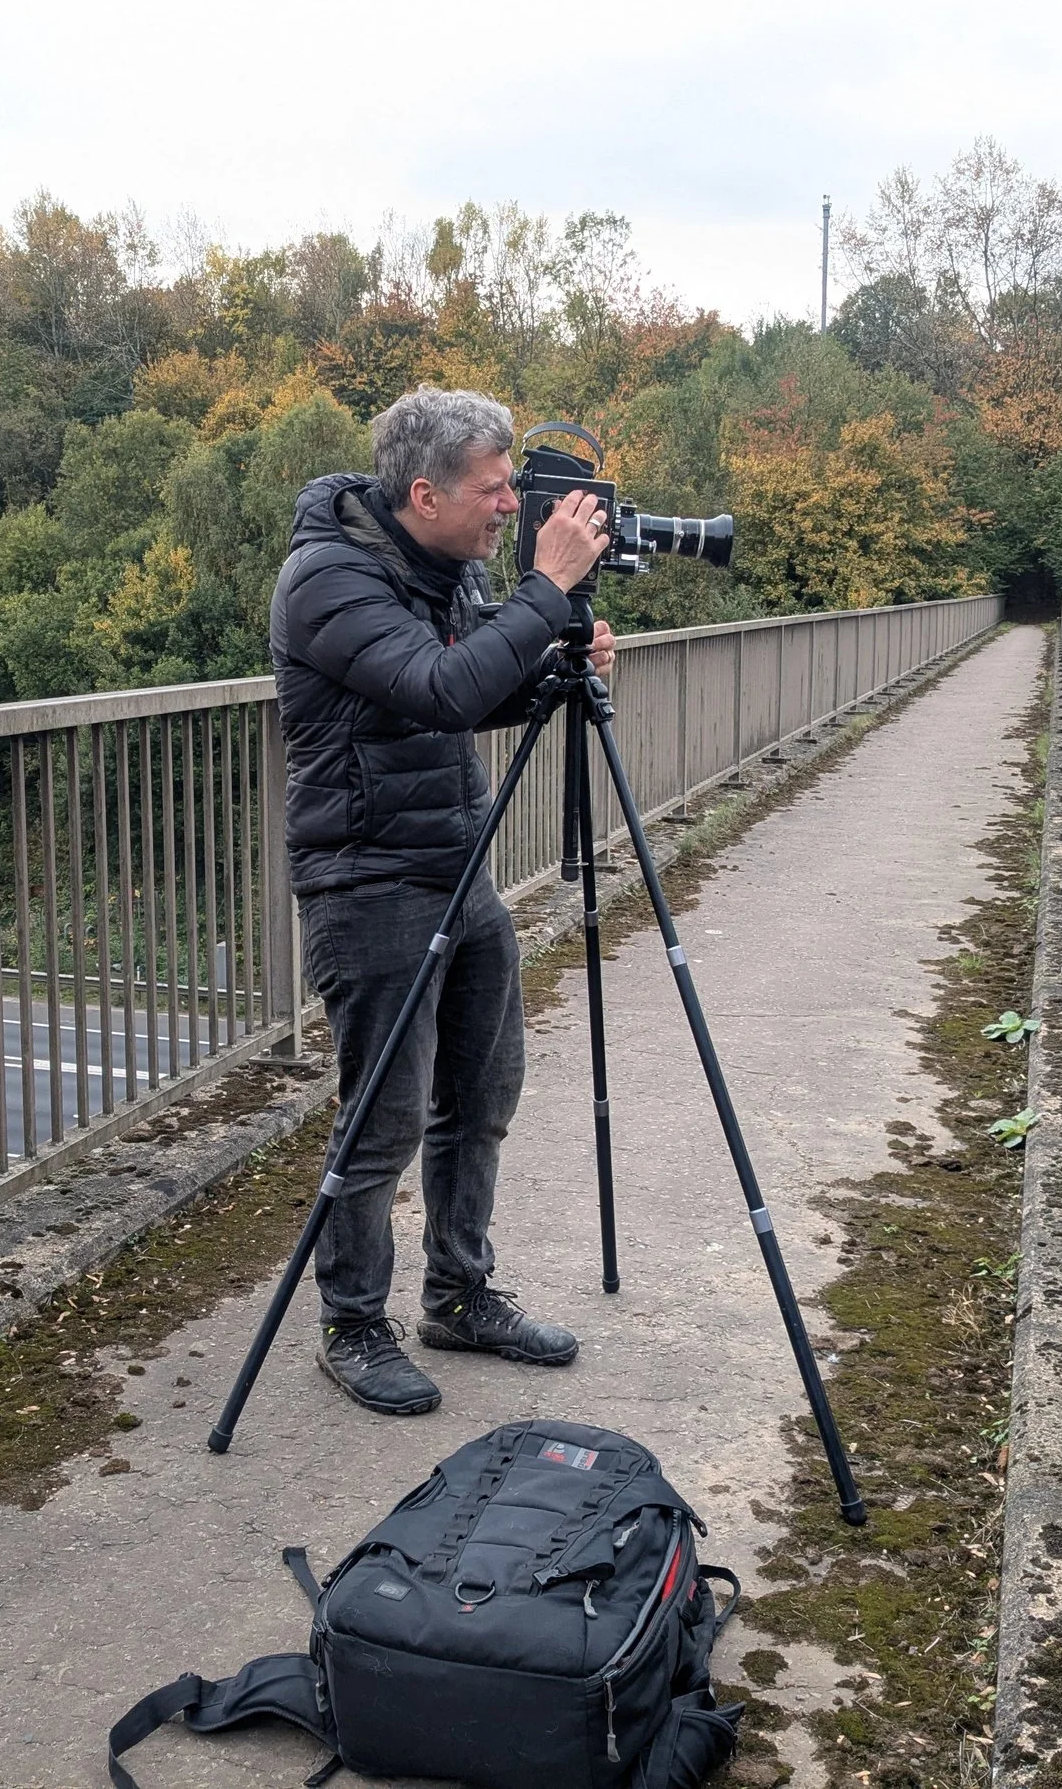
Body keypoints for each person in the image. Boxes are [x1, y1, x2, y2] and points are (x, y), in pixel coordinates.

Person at [269, 386, 617, 1416]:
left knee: (482, 1096)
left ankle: (459, 1295)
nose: (512, 505)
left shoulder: (444, 569)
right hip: (368, 880)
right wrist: (546, 592)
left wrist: (558, 667)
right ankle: (352, 1325)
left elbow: (478, 689)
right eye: (494, 487)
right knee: (383, 1119)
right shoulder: (329, 578)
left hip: (456, 868)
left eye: (512, 484)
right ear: (424, 492)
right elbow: (437, 690)